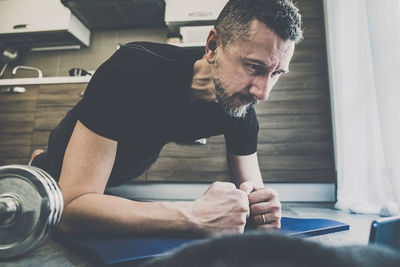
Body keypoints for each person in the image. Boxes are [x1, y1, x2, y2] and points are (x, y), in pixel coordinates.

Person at [31, 0, 303, 236]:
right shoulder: (129, 69)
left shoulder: (239, 106)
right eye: (254, 66)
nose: (263, 92)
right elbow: (71, 210)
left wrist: (261, 209)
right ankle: (37, 159)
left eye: (276, 73)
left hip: (129, 165)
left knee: (105, 190)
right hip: (63, 154)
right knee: (50, 182)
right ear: (212, 46)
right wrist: (192, 215)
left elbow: (253, 193)